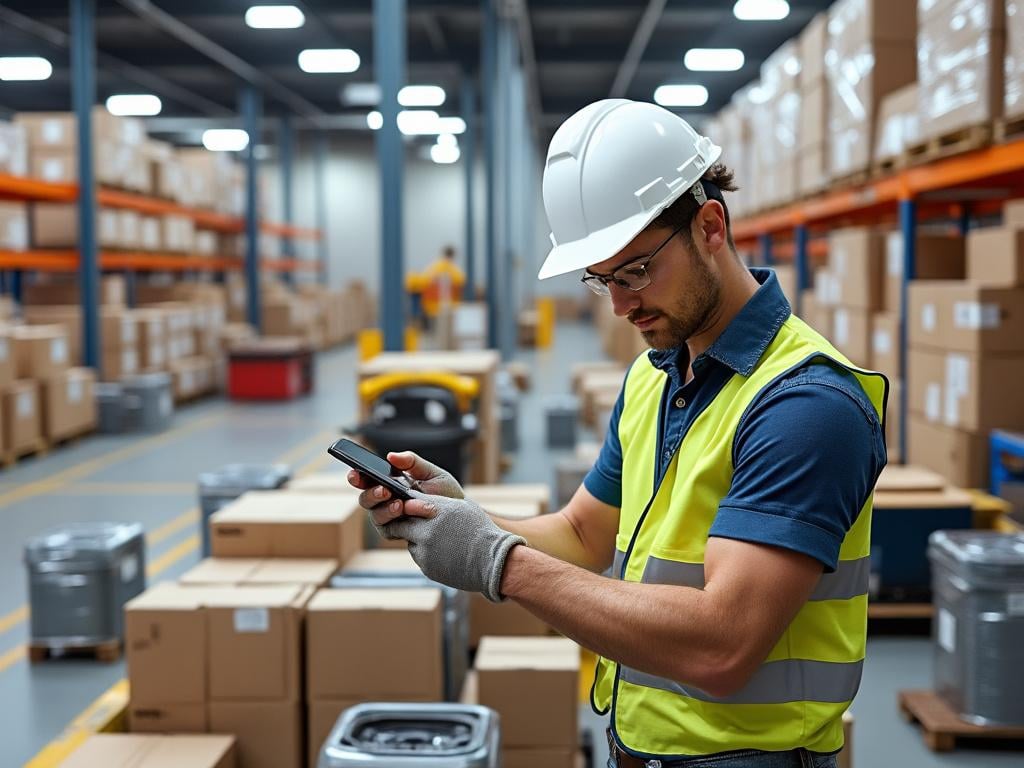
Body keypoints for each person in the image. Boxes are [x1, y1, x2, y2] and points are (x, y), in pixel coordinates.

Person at [348, 99, 887, 768]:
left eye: (634, 272)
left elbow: (722, 646)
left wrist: (499, 562)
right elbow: (582, 535)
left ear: (710, 225)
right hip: (639, 745)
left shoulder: (805, 406)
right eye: (600, 279)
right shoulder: (653, 379)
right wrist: (463, 518)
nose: (620, 304)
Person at [420, 244, 466, 321]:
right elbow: (462, 285)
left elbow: (422, 283)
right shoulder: (456, 272)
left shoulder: (432, 268)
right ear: (453, 256)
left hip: (430, 307)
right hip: (451, 309)